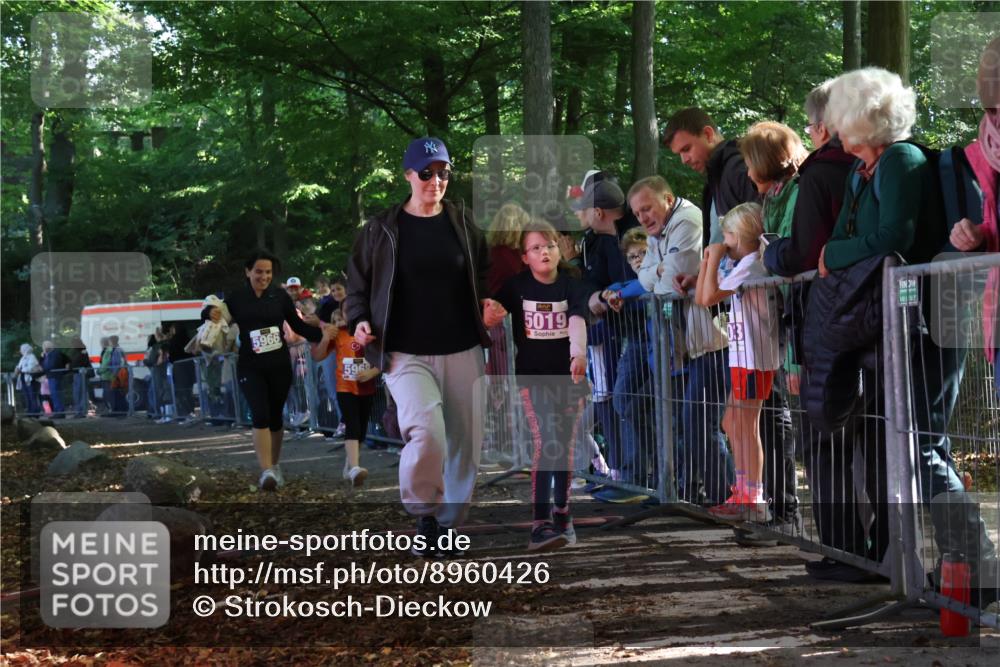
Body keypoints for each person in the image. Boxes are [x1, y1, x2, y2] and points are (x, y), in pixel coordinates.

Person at [346, 137, 502, 557]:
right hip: (404, 352)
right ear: (408, 175)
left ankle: (449, 525)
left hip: (463, 347)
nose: (436, 181)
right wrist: (359, 321)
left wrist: (487, 303)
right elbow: (357, 287)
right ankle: (425, 516)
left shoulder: (463, 223)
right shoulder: (380, 229)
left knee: (465, 443)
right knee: (427, 432)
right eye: (427, 173)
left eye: (443, 173)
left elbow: (483, 275)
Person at [762, 81, 868, 581]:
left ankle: (843, 550)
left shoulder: (820, 174)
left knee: (824, 440)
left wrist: (771, 254)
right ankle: (869, 549)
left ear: (823, 126)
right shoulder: (867, 167)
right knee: (862, 439)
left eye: (809, 125)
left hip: (824, 321)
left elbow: (803, 252)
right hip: (863, 317)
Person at [631, 176, 734, 506]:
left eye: (647, 208)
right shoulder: (658, 232)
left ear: (667, 198)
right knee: (694, 421)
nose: (643, 218)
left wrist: (660, 272)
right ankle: (714, 494)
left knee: (702, 422)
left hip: (715, 340)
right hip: (694, 343)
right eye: (637, 213)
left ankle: (725, 495)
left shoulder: (686, 219)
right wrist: (659, 272)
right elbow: (646, 280)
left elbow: (672, 279)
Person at [494, 219, 590, 551]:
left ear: (558, 250)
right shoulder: (516, 286)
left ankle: (563, 514)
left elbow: (577, 318)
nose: (544, 252)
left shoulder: (572, 285)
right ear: (525, 257)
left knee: (563, 446)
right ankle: (539, 522)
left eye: (549, 245)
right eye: (535, 248)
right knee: (546, 442)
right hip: (533, 377)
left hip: (569, 378)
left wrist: (578, 354)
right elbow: (493, 308)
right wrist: (489, 312)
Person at [695, 203, 780, 523]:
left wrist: (713, 257)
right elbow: (702, 297)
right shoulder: (742, 264)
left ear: (742, 237)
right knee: (732, 422)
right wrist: (707, 262)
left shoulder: (752, 264)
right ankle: (744, 492)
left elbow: (707, 298)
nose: (724, 241)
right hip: (744, 356)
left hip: (756, 358)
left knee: (745, 424)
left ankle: (753, 498)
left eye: (727, 235)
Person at [225, 249, 325, 491]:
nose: (264, 276)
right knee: (259, 414)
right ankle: (266, 470)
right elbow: (214, 316)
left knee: (275, 417)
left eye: (268, 272)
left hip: (279, 365)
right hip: (250, 366)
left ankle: (274, 464)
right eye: (259, 271)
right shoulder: (236, 298)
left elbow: (298, 326)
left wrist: (325, 333)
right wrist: (209, 313)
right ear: (248, 272)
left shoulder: (280, 296)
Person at [662, 107, 759, 248]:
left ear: (708, 134)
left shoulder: (738, 168)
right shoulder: (717, 177)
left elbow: (763, 230)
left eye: (686, 149)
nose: (684, 160)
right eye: (679, 154)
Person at [312, 303, 379, 487]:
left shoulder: (371, 331)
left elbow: (384, 357)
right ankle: (355, 468)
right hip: (345, 387)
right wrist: (325, 338)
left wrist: (371, 373)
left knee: (361, 430)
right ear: (342, 313)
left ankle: (350, 464)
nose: (351, 313)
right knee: (352, 424)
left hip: (366, 387)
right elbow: (317, 356)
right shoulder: (338, 333)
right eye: (347, 310)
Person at [739, 121, 808, 237]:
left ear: (764, 163)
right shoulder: (777, 195)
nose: (748, 174)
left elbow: (791, 246)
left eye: (750, 167)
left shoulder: (798, 196)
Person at [40, 341, 69, 417]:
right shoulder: (49, 355)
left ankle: (59, 412)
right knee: (54, 395)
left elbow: (50, 365)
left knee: (56, 395)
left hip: (55, 376)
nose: (43, 348)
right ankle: (58, 411)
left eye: (44, 346)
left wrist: (44, 366)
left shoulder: (54, 354)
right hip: (52, 376)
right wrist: (43, 357)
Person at [14, 343, 42, 415]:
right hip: (23, 379)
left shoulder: (32, 357)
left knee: (32, 396)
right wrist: (17, 369)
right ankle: (30, 411)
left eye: (21, 349)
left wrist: (20, 370)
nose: (20, 351)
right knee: (27, 396)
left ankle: (35, 412)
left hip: (31, 379)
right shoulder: (22, 358)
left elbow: (30, 368)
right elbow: (19, 366)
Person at [66, 338, 92, 418]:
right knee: (79, 393)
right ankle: (80, 411)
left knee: (80, 393)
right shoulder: (79, 351)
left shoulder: (81, 352)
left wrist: (70, 365)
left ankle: (81, 411)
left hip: (80, 374)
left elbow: (78, 362)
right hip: (77, 374)